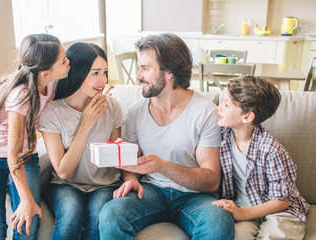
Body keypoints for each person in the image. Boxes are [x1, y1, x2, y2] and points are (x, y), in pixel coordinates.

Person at [98, 33, 234, 240]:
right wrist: (131, 178)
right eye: (139, 68)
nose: (138, 76)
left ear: (169, 72)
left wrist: (163, 166)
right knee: (111, 213)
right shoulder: (136, 111)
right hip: (151, 192)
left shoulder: (205, 112)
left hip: (195, 198)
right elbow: (132, 162)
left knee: (219, 222)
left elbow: (212, 180)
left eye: (145, 68)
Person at [0, 33, 70, 239]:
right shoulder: (21, 95)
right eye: (63, 61)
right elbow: (13, 152)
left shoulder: (50, 84)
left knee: (28, 226)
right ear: (45, 73)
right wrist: (26, 200)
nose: (69, 62)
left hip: (23, 155)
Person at [38, 42, 123, 240]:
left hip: (105, 184)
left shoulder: (112, 106)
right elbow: (63, 172)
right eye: (95, 73)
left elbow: (115, 160)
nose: (102, 79)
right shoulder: (52, 112)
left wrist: (123, 151)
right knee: (70, 215)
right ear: (76, 72)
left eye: (105, 72)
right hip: (66, 185)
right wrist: (86, 124)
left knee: (97, 219)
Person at [212, 76, 310, 239]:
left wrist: (242, 214)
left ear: (247, 117)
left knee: (275, 235)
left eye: (226, 105)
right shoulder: (223, 135)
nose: (219, 108)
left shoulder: (269, 149)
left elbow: (281, 201)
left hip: (279, 210)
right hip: (245, 206)